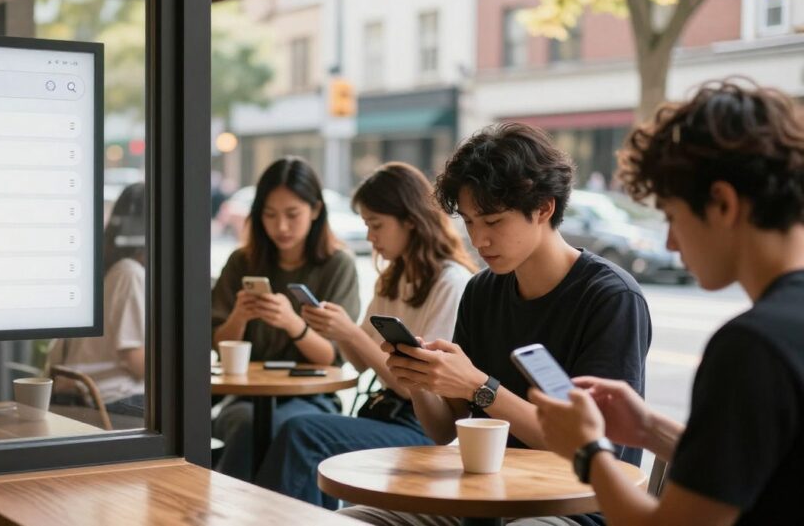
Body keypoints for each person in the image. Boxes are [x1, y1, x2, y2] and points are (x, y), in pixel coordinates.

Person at [341, 123, 651, 526]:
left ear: (543, 208)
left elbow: (585, 447)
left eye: (493, 221)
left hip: (575, 506)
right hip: (480, 497)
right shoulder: (482, 291)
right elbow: (445, 430)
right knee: (350, 520)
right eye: (470, 222)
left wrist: (479, 386)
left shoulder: (609, 298)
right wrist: (420, 381)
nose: (479, 240)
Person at [530, 81, 804, 526]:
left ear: (721, 203)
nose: (672, 243)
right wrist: (647, 431)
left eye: (672, 216)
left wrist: (589, 451)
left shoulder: (752, 347)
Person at [255, 162, 478, 508]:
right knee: (294, 431)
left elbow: (417, 385)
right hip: (383, 412)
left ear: (410, 220)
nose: (370, 237)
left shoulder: (451, 283)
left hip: (424, 426)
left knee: (301, 432)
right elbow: (358, 364)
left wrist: (353, 335)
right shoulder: (393, 278)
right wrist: (338, 329)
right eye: (366, 225)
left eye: (376, 225)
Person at [212, 157, 360, 481]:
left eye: (292, 215)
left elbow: (331, 357)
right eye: (270, 215)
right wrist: (239, 315)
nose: (281, 227)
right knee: (245, 422)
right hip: (246, 397)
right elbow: (217, 343)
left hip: (312, 397)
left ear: (316, 210)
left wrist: (293, 323)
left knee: (286, 428)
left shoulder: (337, 265)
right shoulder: (242, 261)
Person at [47, 183, 148, 418]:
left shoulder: (101, 270)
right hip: (109, 399)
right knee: (188, 414)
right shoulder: (128, 272)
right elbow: (135, 361)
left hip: (79, 396)